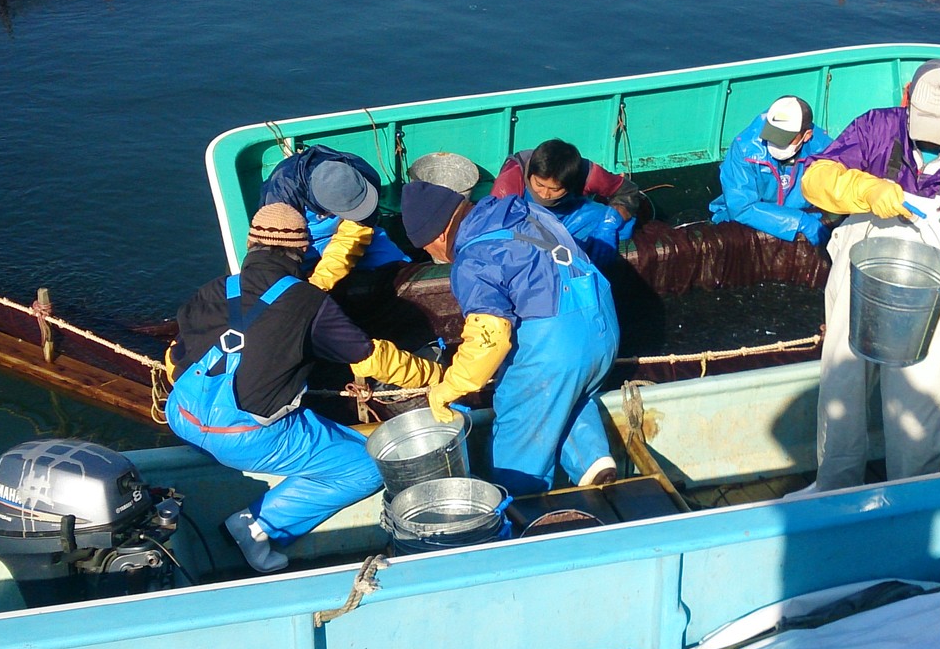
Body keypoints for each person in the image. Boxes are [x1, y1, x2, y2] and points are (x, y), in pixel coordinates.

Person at [165, 203, 442, 573]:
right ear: (301, 250)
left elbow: (179, 356)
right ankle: (258, 528)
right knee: (368, 466)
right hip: (243, 437)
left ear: (251, 246)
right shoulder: (308, 303)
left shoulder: (213, 290)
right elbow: (370, 358)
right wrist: (434, 377)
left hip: (181, 417)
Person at [796, 60, 940, 490]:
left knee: (920, 400)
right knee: (841, 387)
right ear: (907, 99)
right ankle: (833, 484)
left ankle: (912, 492)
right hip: (861, 278)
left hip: (935, 295)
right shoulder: (876, 128)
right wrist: (865, 190)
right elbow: (815, 179)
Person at [397, 181, 620, 494]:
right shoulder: (526, 210)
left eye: (425, 247)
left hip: (556, 350)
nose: (428, 253)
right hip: (603, 329)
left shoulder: (473, 258)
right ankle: (592, 461)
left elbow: (491, 336)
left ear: (438, 235)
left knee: (519, 426)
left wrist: (450, 386)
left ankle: (525, 511)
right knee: (565, 397)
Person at [259, 146, 408, 289]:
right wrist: (311, 289)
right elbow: (279, 250)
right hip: (301, 244)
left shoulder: (365, 175)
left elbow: (356, 232)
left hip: (354, 235)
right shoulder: (281, 193)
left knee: (398, 265)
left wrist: (323, 279)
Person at [490, 139, 646, 263]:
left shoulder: (588, 174)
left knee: (622, 224)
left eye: (555, 189)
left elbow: (627, 192)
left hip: (567, 217)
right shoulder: (512, 175)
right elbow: (493, 223)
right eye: (539, 184)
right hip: (522, 223)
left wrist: (609, 225)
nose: (545, 194)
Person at [708, 95, 834, 244]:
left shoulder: (823, 148)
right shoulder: (744, 149)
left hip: (800, 212)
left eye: (785, 139)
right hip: (745, 219)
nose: (775, 143)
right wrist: (799, 221)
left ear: (806, 135)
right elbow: (741, 207)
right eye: (772, 135)